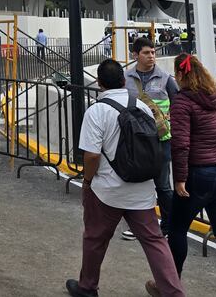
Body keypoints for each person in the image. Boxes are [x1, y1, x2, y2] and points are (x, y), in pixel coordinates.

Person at [65, 59, 184, 297]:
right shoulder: (142, 107)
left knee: (95, 238)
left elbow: (91, 156)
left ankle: (88, 287)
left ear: (99, 83)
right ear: (123, 80)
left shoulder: (96, 111)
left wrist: (88, 181)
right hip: (141, 188)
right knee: (155, 241)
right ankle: (173, 292)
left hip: (107, 190)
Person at [167, 53, 216, 296]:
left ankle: (170, 286)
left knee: (177, 229)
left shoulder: (182, 102)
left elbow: (181, 144)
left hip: (197, 175)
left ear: (180, 75)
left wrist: (179, 179)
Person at [122, 36, 177, 240]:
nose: (151, 56)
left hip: (161, 139)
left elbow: (177, 103)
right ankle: (141, 226)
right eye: (146, 52)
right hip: (135, 140)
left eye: (153, 52)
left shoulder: (165, 78)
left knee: (163, 185)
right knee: (138, 184)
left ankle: (168, 226)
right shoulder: (125, 78)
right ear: (135, 55)